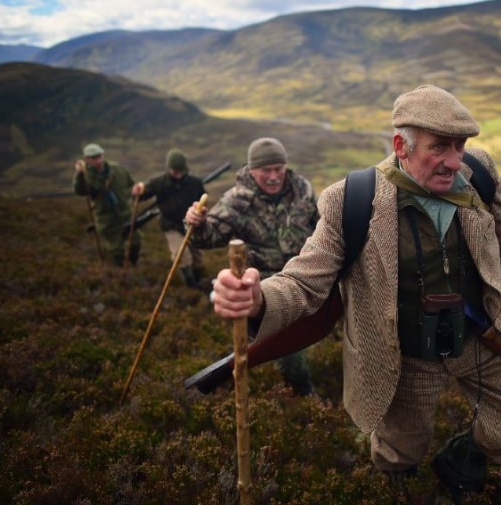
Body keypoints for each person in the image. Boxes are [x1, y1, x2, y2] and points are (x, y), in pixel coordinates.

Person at [211, 85, 501, 501]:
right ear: (401, 146)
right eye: (440, 147)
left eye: (461, 145)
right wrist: (258, 300)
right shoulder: (352, 199)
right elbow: (304, 281)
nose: (454, 160)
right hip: (403, 354)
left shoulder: (478, 171)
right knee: (398, 454)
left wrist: (500, 298)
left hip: (479, 338)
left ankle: (462, 459)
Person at [185, 137, 318, 397]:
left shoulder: (302, 188)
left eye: (278, 168)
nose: (273, 176)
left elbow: (322, 226)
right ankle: (304, 397)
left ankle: (284, 391)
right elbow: (206, 237)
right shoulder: (237, 200)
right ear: (252, 170)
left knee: (287, 345)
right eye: (266, 170)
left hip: (303, 282)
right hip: (261, 290)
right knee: (284, 352)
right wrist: (196, 223)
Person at [132, 148, 206, 288]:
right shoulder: (159, 182)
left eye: (180, 171)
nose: (178, 175)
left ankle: (201, 281)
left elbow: (202, 199)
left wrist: (201, 214)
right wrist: (138, 192)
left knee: (198, 258)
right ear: (169, 169)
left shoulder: (195, 183)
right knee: (181, 255)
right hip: (171, 224)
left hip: (191, 225)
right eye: (174, 171)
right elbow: (142, 194)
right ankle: (190, 284)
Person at [73, 142, 141, 266]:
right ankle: (119, 273)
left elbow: (131, 185)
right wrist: (79, 174)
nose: (98, 161)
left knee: (135, 242)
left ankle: (133, 265)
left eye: (100, 156)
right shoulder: (86, 176)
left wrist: (135, 190)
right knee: (116, 250)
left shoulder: (118, 170)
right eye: (94, 158)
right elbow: (80, 190)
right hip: (106, 219)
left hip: (125, 215)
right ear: (87, 160)